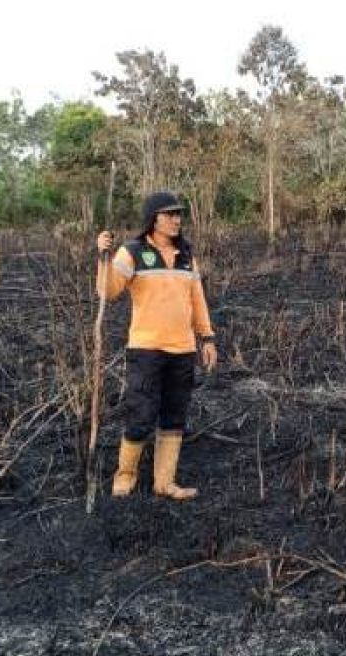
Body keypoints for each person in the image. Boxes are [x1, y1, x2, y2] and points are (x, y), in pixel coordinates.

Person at [95, 191, 218, 500]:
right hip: (146, 348)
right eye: (169, 214)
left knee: (174, 416)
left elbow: (197, 299)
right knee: (140, 414)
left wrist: (207, 337)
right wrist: (103, 258)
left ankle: (165, 482)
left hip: (183, 349)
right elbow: (108, 292)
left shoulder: (187, 256)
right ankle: (125, 475)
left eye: (178, 214)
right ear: (153, 219)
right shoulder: (131, 252)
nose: (176, 220)